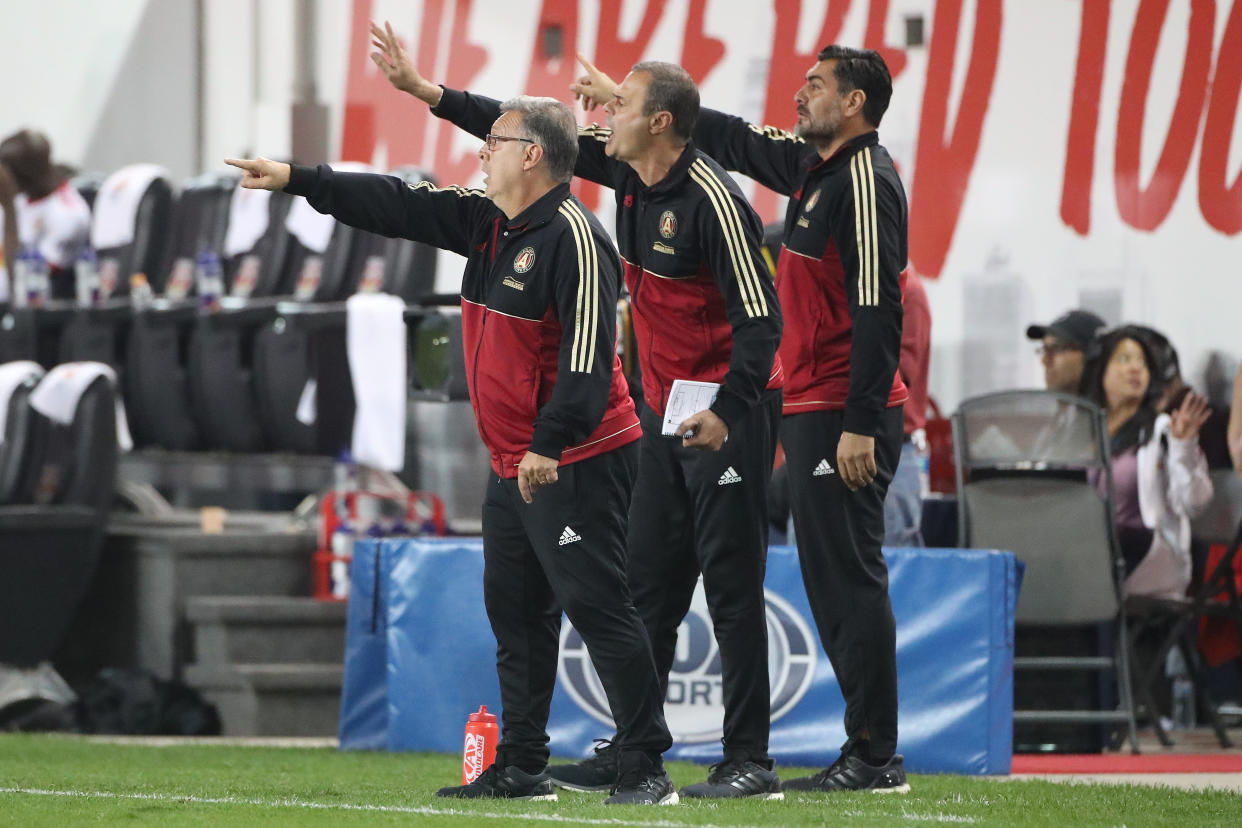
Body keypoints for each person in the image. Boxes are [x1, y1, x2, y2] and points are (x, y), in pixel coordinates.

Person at [368, 24, 784, 800]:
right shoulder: (629, 175)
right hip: (662, 409)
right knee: (650, 585)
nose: (599, 107)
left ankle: (747, 757)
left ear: (659, 122)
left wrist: (732, 406)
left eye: (619, 101)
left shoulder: (715, 200)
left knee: (731, 584)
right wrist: (433, 96)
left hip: (731, 410)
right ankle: (629, 746)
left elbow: (761, 322)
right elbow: (536, 140)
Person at [226, 96, 677, 806]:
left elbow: (589, 363)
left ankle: (645, 765)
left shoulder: (577, 239)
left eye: (493, 141)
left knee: (597, 605)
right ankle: (524, 765)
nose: (479, 152)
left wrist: (548, 445)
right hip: (513, 461)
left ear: (532, 154)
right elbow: (398, 204)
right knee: (517, 616)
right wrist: (298, 178)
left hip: (575, 456)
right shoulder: (488, 221)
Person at [571, 46, 911, 791]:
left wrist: (859, 421)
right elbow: (726, 137)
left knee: (846, 581)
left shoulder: (862, 180)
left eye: (816, 86)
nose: (799, 95)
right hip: (808, 404)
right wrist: (634, 104)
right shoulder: (814, 168)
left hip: (840, 411)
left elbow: (879, 308)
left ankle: (873, 756)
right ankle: (642, 744)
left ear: (854, 105)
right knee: (814, 581)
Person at [1080, 327, 1213, 598]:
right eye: (1123, 359)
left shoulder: (1163, 431)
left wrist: (1184, 447)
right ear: (1101, 370)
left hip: (1145, 557)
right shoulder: (1081, 433)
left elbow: (1192, 502)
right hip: (1084, 552)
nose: (1135, 369)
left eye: (1142, 362)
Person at [0, 129, 91, 301]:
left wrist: (9, 210)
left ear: (24, 175)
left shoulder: (67, 214)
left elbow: (27, 287)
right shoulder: (22, 198)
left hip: (27, 313)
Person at [883, 270, 930, 547]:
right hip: (831, 440)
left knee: (896, 565)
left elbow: (898, 372)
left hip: (892, 447)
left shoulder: (907, 290)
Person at [1026, 309, 1107, 394]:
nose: (1044, 360)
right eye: (1045, 349)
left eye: (1056, 348)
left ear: (1093, 357)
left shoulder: (1110, 407)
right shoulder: (1041, 406)